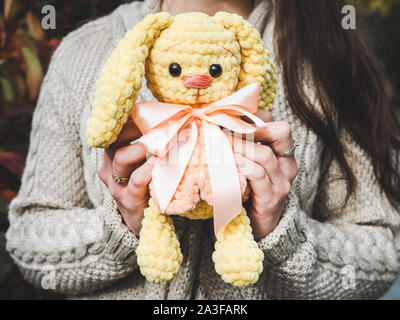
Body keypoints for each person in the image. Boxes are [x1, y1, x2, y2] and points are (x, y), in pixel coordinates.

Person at [5, 0, 400, 299]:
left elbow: (384, 251)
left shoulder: (328, 53)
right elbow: (29, 239)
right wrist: (121, 226)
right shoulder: (84, 52)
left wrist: (282, 231)